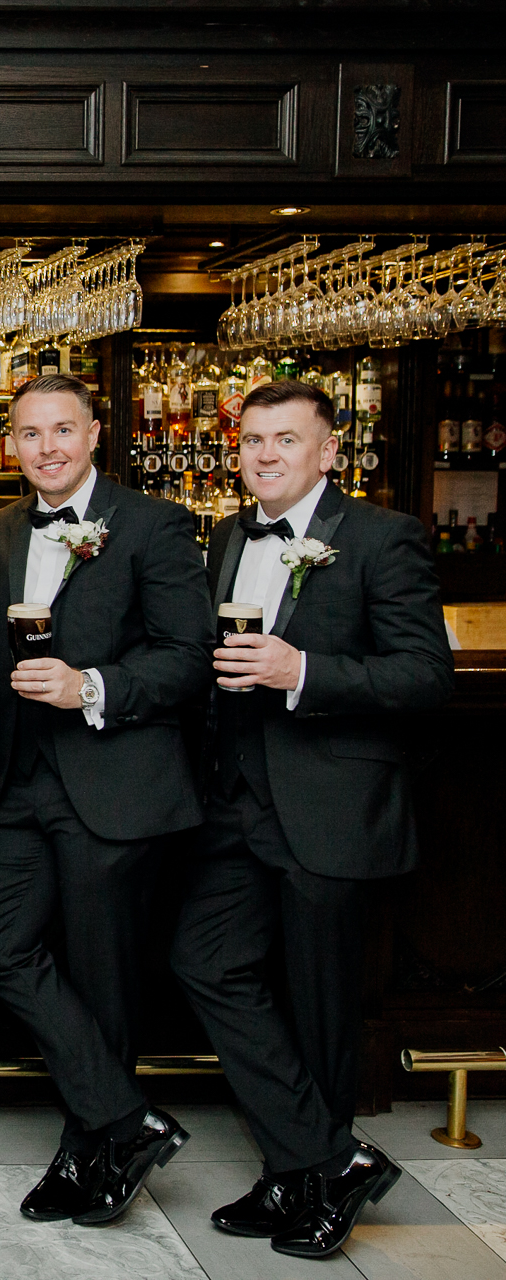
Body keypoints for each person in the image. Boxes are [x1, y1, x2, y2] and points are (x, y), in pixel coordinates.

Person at [170, 380, 453, 1259]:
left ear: (328, 452)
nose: (263, 455)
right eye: (252, 440)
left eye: (284, 440)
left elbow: (423, 675)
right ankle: (325, 1159)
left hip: (329, 803)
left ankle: (305, 1180)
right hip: (236, 803)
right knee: (203, 961)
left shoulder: (382, 537)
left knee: (321, 1006)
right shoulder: (226, 532)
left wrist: (302, 670)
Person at [0, 374, 213, 1225]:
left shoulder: (153, 524)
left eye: (62, 431)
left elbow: (188, 657)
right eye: (29, 434)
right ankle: (126, 1120)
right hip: (20, 779)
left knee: (102, 982)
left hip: (113, 779)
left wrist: (91, 685)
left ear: (95, 432)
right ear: (12, 444)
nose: (46, 449)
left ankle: (90, 1152)